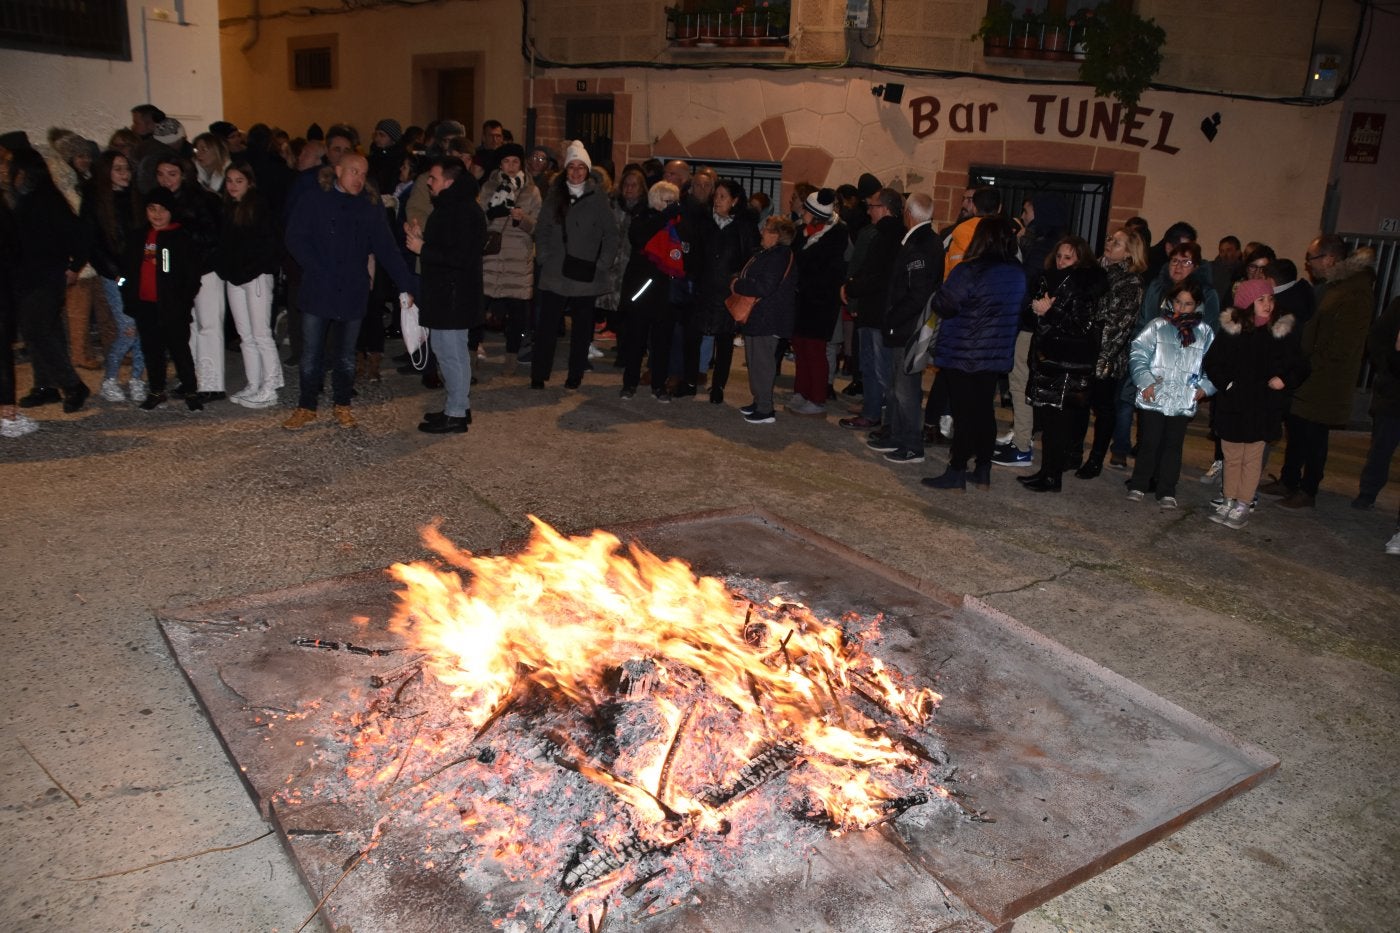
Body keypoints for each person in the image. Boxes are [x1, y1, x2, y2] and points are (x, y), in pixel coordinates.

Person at [282, 153, 417, 429]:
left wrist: (406, 285)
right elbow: (294, 237)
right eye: (353, 171)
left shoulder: (369, 206)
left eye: (363, 173)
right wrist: (315, 266)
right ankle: (306, 406)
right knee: (311, 353)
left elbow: (387, 248)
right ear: (338, 170)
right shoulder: (314, 198)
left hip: (352, 289)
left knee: (346, 354)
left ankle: (342, 404)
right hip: (319, 287)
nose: (359, 179)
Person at [1267, 236, 1377, 509]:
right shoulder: (1333, 287)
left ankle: (1308, 488)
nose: (1308, 264)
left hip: (1324, 379)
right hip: (1308, 374)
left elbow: (1343, 344)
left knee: (1315, 436)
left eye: (1312, 258)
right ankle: (1288, 480)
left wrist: (1310, 363)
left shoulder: (1354, 292)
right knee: (1297, 429)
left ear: (1329, 259)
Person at [921, 216, 1026, 491]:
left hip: (963, 351)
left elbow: (946, 304)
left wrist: (939, 294)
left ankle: (956, 470)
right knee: (983, 411)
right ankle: (982, 469)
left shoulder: (969, 270)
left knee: (964, 413)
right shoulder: (1017, 272)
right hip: (995, 353)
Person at [1202, 278, 1309, 529]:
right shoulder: (1232, 332)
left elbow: (1302, 365)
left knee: (1252, 458)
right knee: (1232, 457)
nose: (1268, 304)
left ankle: (1243, 504)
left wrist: (1284, 379)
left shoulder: (1281, 333)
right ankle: (1228, 498)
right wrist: (1227, 383)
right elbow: (1213, 363)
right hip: (1234, 405)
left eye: (1270, 298)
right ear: (1247, 304)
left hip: (1263, 407)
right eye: (1261, 299)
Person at [1019, 236, 1109, 492]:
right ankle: (1046, 472)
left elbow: (1081, 326)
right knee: (1048, 422)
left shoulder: (1083, 286)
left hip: (1068, 364)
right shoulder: (1049, 279)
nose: (1061, 262)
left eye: (1067, 257)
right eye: (1059, 256)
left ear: (1080, 259)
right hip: (1048, 359)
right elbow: (1031, 315)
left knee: (1058, 424)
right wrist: (1036, 310)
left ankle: (1052, 477)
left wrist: (1050, 311)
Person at [530, 140, 619, 390]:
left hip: (585, 272)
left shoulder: (598, 197)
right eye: (572, 167)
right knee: (547, 326)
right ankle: (539, 374)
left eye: (581, 167)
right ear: (565, 170)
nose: (576, 172)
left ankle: (575, 374)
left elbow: (611, 233)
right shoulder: (554, 195)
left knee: (581, 329)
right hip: (556, 270)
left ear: (587, 170)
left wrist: (602, 263)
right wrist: (544, 256)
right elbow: (543, 228)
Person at [406, 157, 486, 434]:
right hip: (449, 294)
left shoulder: (461, 210)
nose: (429, 182)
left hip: (453, 296)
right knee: (453, 352)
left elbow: (460, 256)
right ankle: (458, 407)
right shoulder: (454, 207)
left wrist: (422, 249)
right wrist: (422, 239)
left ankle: (455, 413)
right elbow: (449, 245)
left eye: (434, 178)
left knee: (450, 353)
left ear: (449, 182)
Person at [8, 147, 90, 414]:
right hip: (25, 276)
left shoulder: (46, 200)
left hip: (46, 275)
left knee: (37, 330)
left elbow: (78, 235)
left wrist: (75, 266)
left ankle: (72, 384)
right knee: (46, 331)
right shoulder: (22, 199)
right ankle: (45, 386)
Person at [1125, 279, 1216, 509]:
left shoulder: (1204, 332)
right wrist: (1145, 382)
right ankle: (1139, 483)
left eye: (1187, 304)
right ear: (1170, 301)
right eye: (1177, 302)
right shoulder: (1157, 326)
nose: (1181, 308)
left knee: (1173, 445)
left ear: (1196, 306)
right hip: (1154, 395)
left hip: (1183, 398)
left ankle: (1167, 489)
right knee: (1149, 442)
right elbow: (1138, 353)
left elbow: (1214, 364)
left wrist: (1204, 387)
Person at [869, 192, 943, 464]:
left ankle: (911, 444)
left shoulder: (921, 245)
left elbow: (917, 293)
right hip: (907, 325)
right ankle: (896, 435)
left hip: (908, 327)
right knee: (896, 385)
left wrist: (891, 318)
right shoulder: (922, 240)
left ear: (909, 214)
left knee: (906, 389)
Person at [1073, 227, 1147, 478]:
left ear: (1129, 252)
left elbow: (1119, 324)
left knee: (1103, 408)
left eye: (1117, 242)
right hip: (1084, 350)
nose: (1109, 243)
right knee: (1079, 404)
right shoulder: (1096, 270)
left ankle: (1095, 459)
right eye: (1109, 239)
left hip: (1106, 356)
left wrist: (1101, 357)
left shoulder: (1131, 281)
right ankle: (1073, 453)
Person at [122, 187, 202, 411]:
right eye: (152, 209)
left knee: (179, 350)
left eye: (162, 210)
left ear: (171, 211)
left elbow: (192, 276)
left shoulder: (180, 238)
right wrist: (129, 297)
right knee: (152, 350)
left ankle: (191, 390)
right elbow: (128, 270)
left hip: (172, 307)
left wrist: (183, 301)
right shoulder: (138, 237)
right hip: (145, 305)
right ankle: (156, 390)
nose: (157, 214)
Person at [152, 153, 224, 400]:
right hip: (180, 274)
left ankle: (212, 384)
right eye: (161, 174)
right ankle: (191, 379)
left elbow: (212, 237)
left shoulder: (200, 200)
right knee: (187, 327)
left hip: (204, 271)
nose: (166, 180)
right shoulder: (161, 201)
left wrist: (182, 235)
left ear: (183, 174)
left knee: (209, 326)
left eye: (172, 174)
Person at [615, 181, 693, 400]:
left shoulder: (679, 225)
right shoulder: (643, 218)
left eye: (675, 201)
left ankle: (659, 385)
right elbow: (639, 239)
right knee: (636, 341)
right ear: (657, 201)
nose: (673, 206)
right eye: (668, 202)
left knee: (662, 343)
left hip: (667, 293)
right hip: (643, 290)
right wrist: (664, 217)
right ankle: (629, 383)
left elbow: (689, 252)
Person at [215, 162, 283, 408]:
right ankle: (254, 382)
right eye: (230, 181)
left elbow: (269, 247)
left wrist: (250, 270)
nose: (233, 186)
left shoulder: (259, 208)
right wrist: (226, 270)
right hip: (235, 279)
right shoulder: (229, 208)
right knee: (245, 335)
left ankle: (271, 384)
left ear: (249, 183)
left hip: (255, 278)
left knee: (261, 333)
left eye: (238, 181)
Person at [82, 150, 147, 403]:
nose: (124, 174)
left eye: (126, 168)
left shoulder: (135, 200)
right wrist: (117, 274)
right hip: (115, 276)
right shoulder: (96, 202)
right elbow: (93, 245)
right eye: (118, 169)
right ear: (106, 172)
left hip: (140, 273)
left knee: (143, 327)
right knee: (128, 329)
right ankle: (109, 378)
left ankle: (136, 378)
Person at [839, 187, 905, 430]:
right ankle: (873, 408)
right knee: (872, 366)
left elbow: (877, 276)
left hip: (878, 313)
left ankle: (878, 415)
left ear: (885, 209)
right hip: (874, 311)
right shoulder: (886, 234)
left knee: (878, 368)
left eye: (873, 206)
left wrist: (852, 287)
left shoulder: (887, 237)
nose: (868, 211)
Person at [691, 178, 757, 404]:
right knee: (695, 336)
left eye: (723, 197)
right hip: (704, 289)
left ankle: (718, 386)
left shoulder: (743, 228)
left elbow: (750, 259)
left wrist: (739, 280)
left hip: (728, 293)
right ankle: (691, 381)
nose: (717, 201)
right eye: (715, 196)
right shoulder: (704, 222)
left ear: (735, 201)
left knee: (725, 342)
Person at [479, 142, 541, 363]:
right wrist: (491, 214)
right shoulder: (488, 188)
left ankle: (512, 357)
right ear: (500, 164)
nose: (511, 166)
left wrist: (522, 219)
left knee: (517, 312)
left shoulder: (531, 190)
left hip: (518, 257)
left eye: (515, 161)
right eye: (507, 161)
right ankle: (472, 351)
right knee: (479, 306)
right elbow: (477, 221)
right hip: (492, 257)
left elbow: (538, 226)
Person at [786, 188, 845, 416]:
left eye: (806, 211)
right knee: (800, 347)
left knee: (815, 350)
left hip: (820, 303)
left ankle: (817, 398)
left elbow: (816, 264)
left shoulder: (836, 234)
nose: (802, 213)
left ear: (815, 213)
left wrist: (802, 254)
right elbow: (794, 257)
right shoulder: (803, 231)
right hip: (801, 299)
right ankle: (801, 392)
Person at [734, 215, 798, 423]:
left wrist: (738, 285)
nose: (762, 231)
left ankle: (765, 409)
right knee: (755, 361)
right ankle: (759, 400)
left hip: (768, 317)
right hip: (759, 316)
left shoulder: (779, 255)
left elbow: (765, 286)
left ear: (776, 235)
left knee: (762, 363)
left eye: (767, 229)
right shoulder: (769, 253)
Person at [1353, 296, 1400, 513]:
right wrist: (1391, 364)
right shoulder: (1398, 306)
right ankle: (1368, 492)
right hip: (1394, 394)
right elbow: (1377, 339)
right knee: (1381, 448)